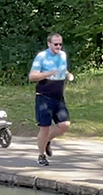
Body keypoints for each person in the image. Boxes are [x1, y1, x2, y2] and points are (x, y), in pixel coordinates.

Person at [28, 33, 74, 166]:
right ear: (49, 44)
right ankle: (41, 155)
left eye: (60, 44)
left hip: (58, 96)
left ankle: (46, 141)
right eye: (56, 44)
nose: (58, 46)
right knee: (45, 127)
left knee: (64, 125)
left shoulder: (63, 55)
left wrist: (68, 74)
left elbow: (63, 70)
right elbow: (32, 76)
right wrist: (49, 73)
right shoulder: (42, 56)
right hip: (44, 95)